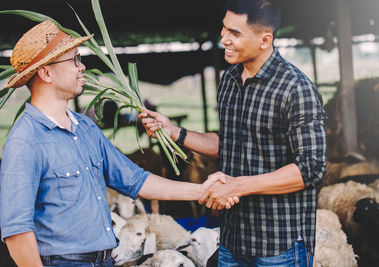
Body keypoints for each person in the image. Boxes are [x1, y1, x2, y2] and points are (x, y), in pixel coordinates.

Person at [0, 20, 238, 267]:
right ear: (46, 73)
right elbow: (17, 233)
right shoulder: (26, 141)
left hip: (105, 260)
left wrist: (202, 190)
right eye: (74, 60)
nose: (82, 67)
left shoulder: (85, 128)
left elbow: (136, 180)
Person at [139, 0, 327, 266]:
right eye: (224, 29)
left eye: (235, 33)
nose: (224, 38)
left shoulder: (296, 88)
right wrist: (174, 131)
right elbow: (227, 145)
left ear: (265, 40)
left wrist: (239, 185)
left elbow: (311, 169)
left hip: (279, 244)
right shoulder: (229, 80)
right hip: (232, 239)